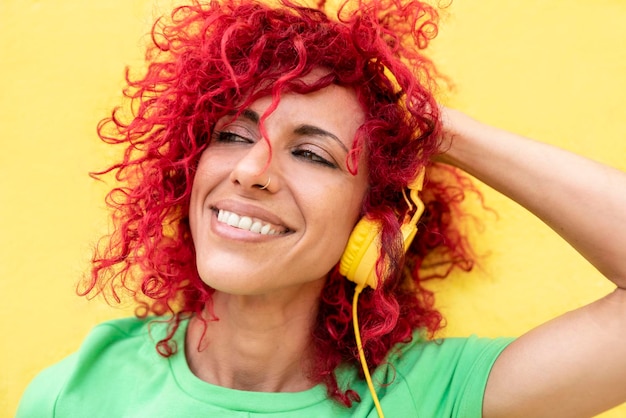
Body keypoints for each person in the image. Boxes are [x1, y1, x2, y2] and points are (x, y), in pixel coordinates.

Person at [16, 0, 626, 416]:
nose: (251, 170)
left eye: (312, 154)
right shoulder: (76, 391)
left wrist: (437, 132)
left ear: (373, 221)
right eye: (232, 134)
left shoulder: (430, 394)